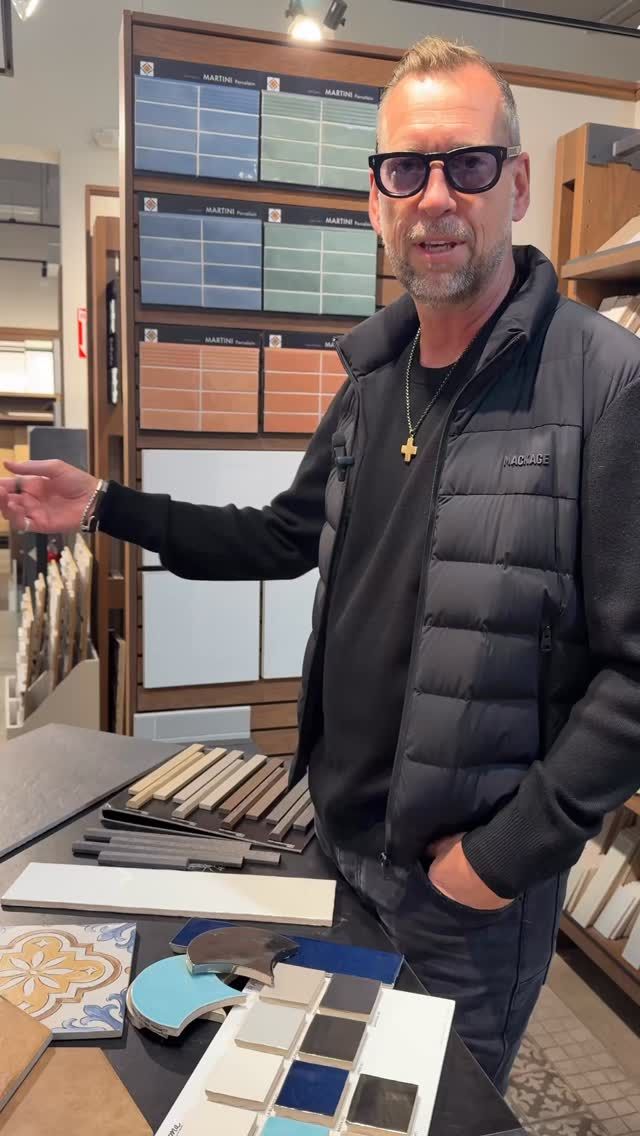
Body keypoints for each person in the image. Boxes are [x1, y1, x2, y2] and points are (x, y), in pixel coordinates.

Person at [2, 36, 639, 1092]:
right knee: (317, 1100)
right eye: (407, 168)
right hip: (332, 846)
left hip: (463, 903)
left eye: (469, 164)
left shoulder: (605, 383)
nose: (436, 196)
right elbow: (276, 537)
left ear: (518, 184)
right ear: (376, 198)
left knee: (425, 1109)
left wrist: (496, 861)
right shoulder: (373, 382)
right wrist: (105, 503)